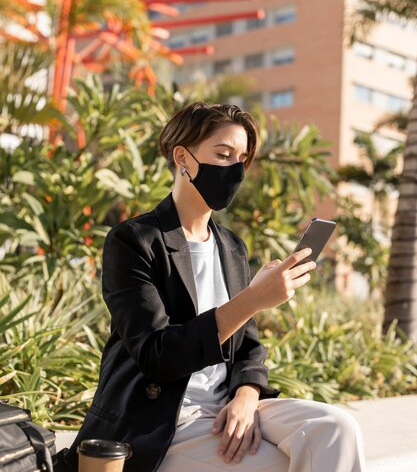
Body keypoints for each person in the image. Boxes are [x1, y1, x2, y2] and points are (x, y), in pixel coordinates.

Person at [59, 102, 366, 472]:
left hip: (226, 407)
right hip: (164, 420)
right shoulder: (135, 241)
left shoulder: (231, 246)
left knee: (337, 428)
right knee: (275, 464)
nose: (234, 169)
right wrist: (253, 299)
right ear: (182, 157)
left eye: (242, 158)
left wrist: (247, 395)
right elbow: (157, 355)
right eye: (222, 155)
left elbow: (248, 346)